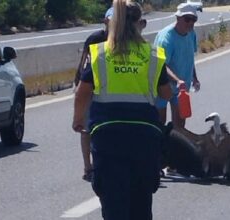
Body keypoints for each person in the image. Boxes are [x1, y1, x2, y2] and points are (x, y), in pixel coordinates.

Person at [72, 0, 171, 219]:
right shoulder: (153, 54)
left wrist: (78, 120)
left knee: (113, 203)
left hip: (108, 137)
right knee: (141, 204)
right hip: (144, 137)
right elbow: (166, 94)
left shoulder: (99, 52)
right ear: (139, 23)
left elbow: (82, 92)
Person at [74, 7, 113, 182]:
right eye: (110, 21)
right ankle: (87, 166)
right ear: (105, 21)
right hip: (91, 86)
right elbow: (84, 63)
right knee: (87, 128)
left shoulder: (123, 40)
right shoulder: (96, 39)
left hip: (110, 90)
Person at [154, 3, 201, 129]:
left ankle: (176, 147)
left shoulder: (191, 34)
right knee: (160, 122)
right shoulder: (166, 38)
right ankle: (160, 147)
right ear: (178, 18)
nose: (190, 23)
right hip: (162, 85)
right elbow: (161, 65)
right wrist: (177, 80)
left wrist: (194, 78)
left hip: (181, 89)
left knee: (180, 124)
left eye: (193, 19)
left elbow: (190, 58)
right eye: (187, 19)